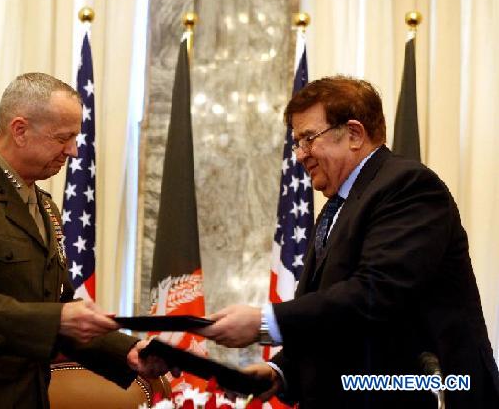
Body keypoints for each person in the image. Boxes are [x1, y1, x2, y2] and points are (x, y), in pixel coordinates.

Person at [199, 76, 499, 408]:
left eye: (308, 138)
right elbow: (332, 315)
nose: (299, 155)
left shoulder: (409, 186)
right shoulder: (335, 207)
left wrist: (265, 322)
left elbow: (375, 293)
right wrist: (280, 371)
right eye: (296, 142)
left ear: (354, 134)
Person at [0, 73, 165, 408]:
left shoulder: (45, 208)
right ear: (20, 130)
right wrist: (58, 319)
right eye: (63, 138)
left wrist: (126, 351)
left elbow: (58, 305)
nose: (73, 151)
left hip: (27, 396)